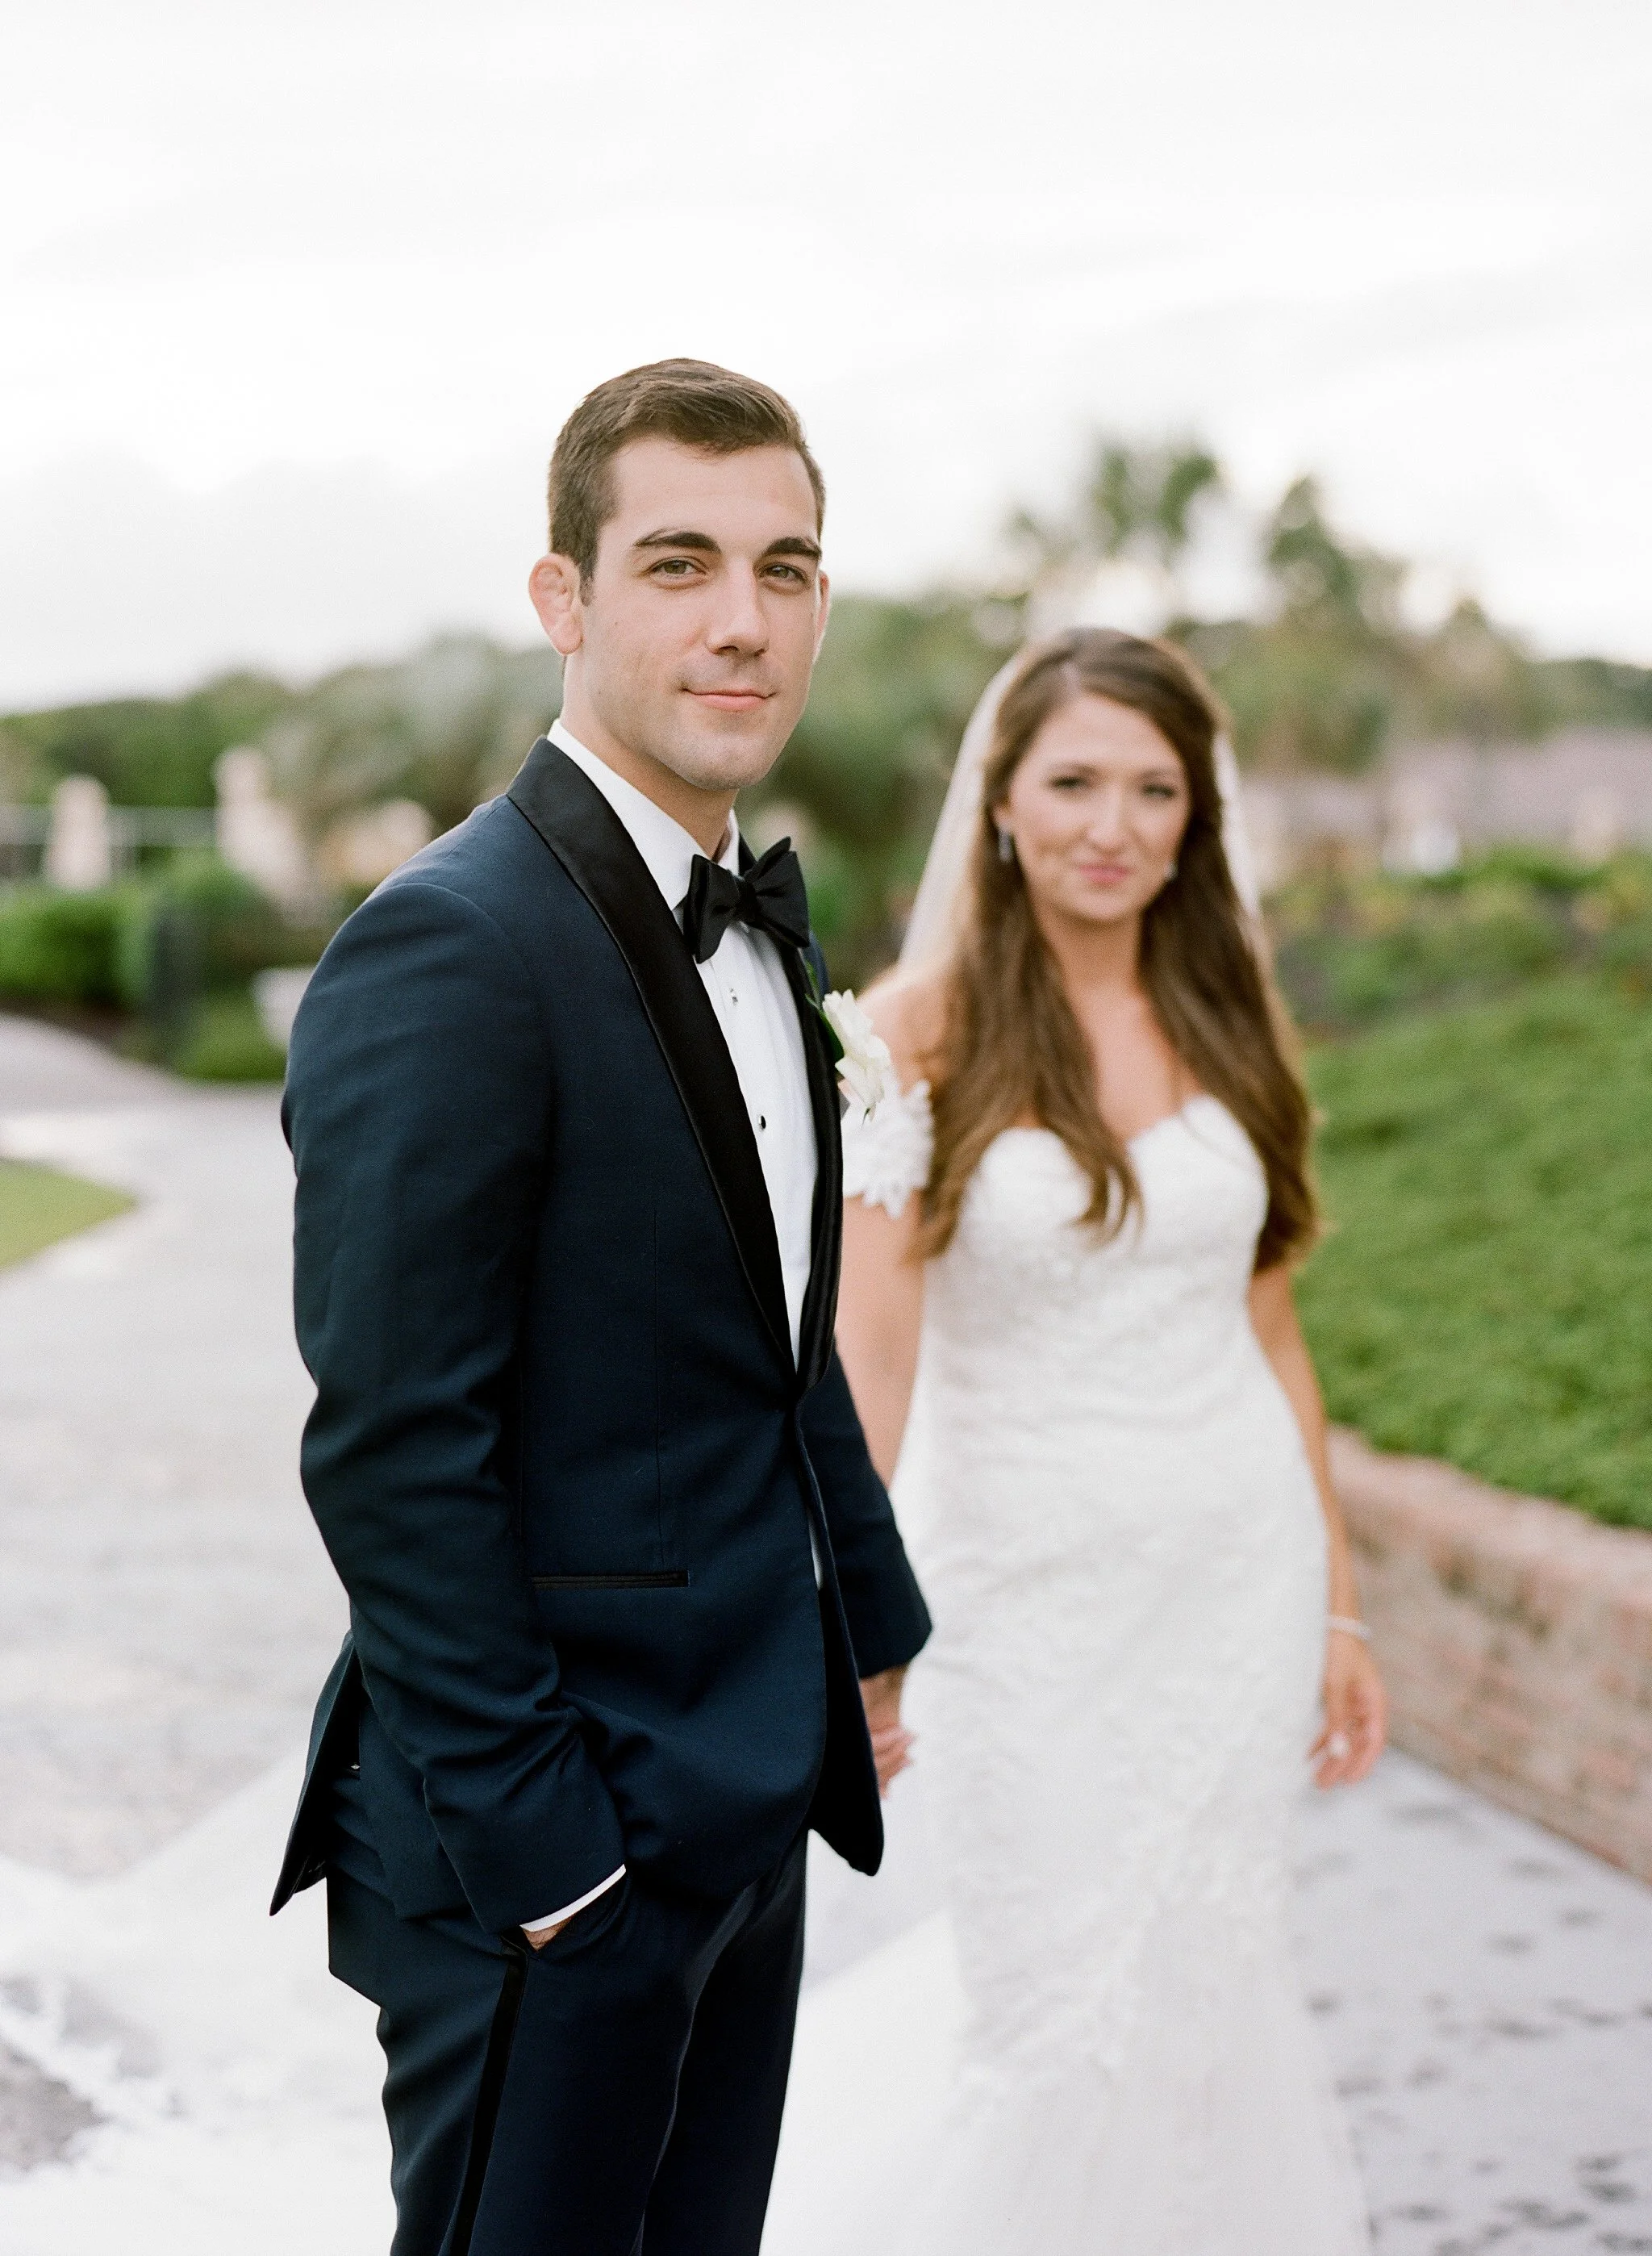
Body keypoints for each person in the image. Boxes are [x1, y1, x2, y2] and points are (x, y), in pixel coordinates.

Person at [268, 359, 931, 2256]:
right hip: (550, 1857)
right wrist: (554, 1863)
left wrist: (866, 1627)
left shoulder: (762, 925)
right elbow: (395, 1450)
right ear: (563, 600)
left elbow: (777, 1339)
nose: (742, 618)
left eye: (786, 568)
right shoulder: (449, 946)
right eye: (678, 562)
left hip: (743, 1804)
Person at [829, 628, 1386, 2253]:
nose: (1113, 824)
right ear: (1001, 801)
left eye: (1155, 790)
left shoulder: (1228, 1018)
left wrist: (1340, 1604)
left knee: (1205, 1997)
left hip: (1234, 1585)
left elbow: (1272, 1335)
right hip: (1022, 1605)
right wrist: (858, 1623)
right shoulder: (914, 1033)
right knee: (1051, 2011)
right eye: (1073, 781)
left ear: (1196, 820)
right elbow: (874, 1353)